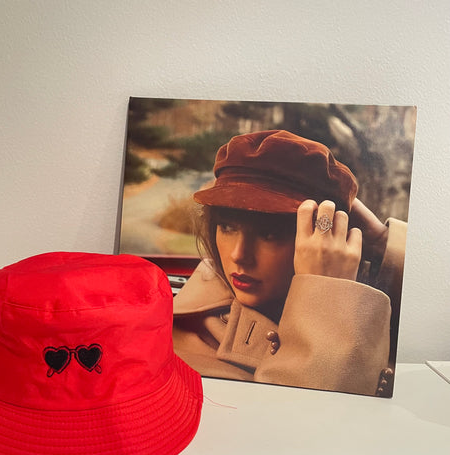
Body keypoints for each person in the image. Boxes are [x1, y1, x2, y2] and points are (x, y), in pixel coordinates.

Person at [172, 130, 407, 396]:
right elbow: (305, 423)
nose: (239, 254)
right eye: (227, 227)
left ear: (322, 238)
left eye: (269, 234)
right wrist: (326, 295)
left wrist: (380, 241)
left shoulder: (364, 298)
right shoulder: (189, 341)